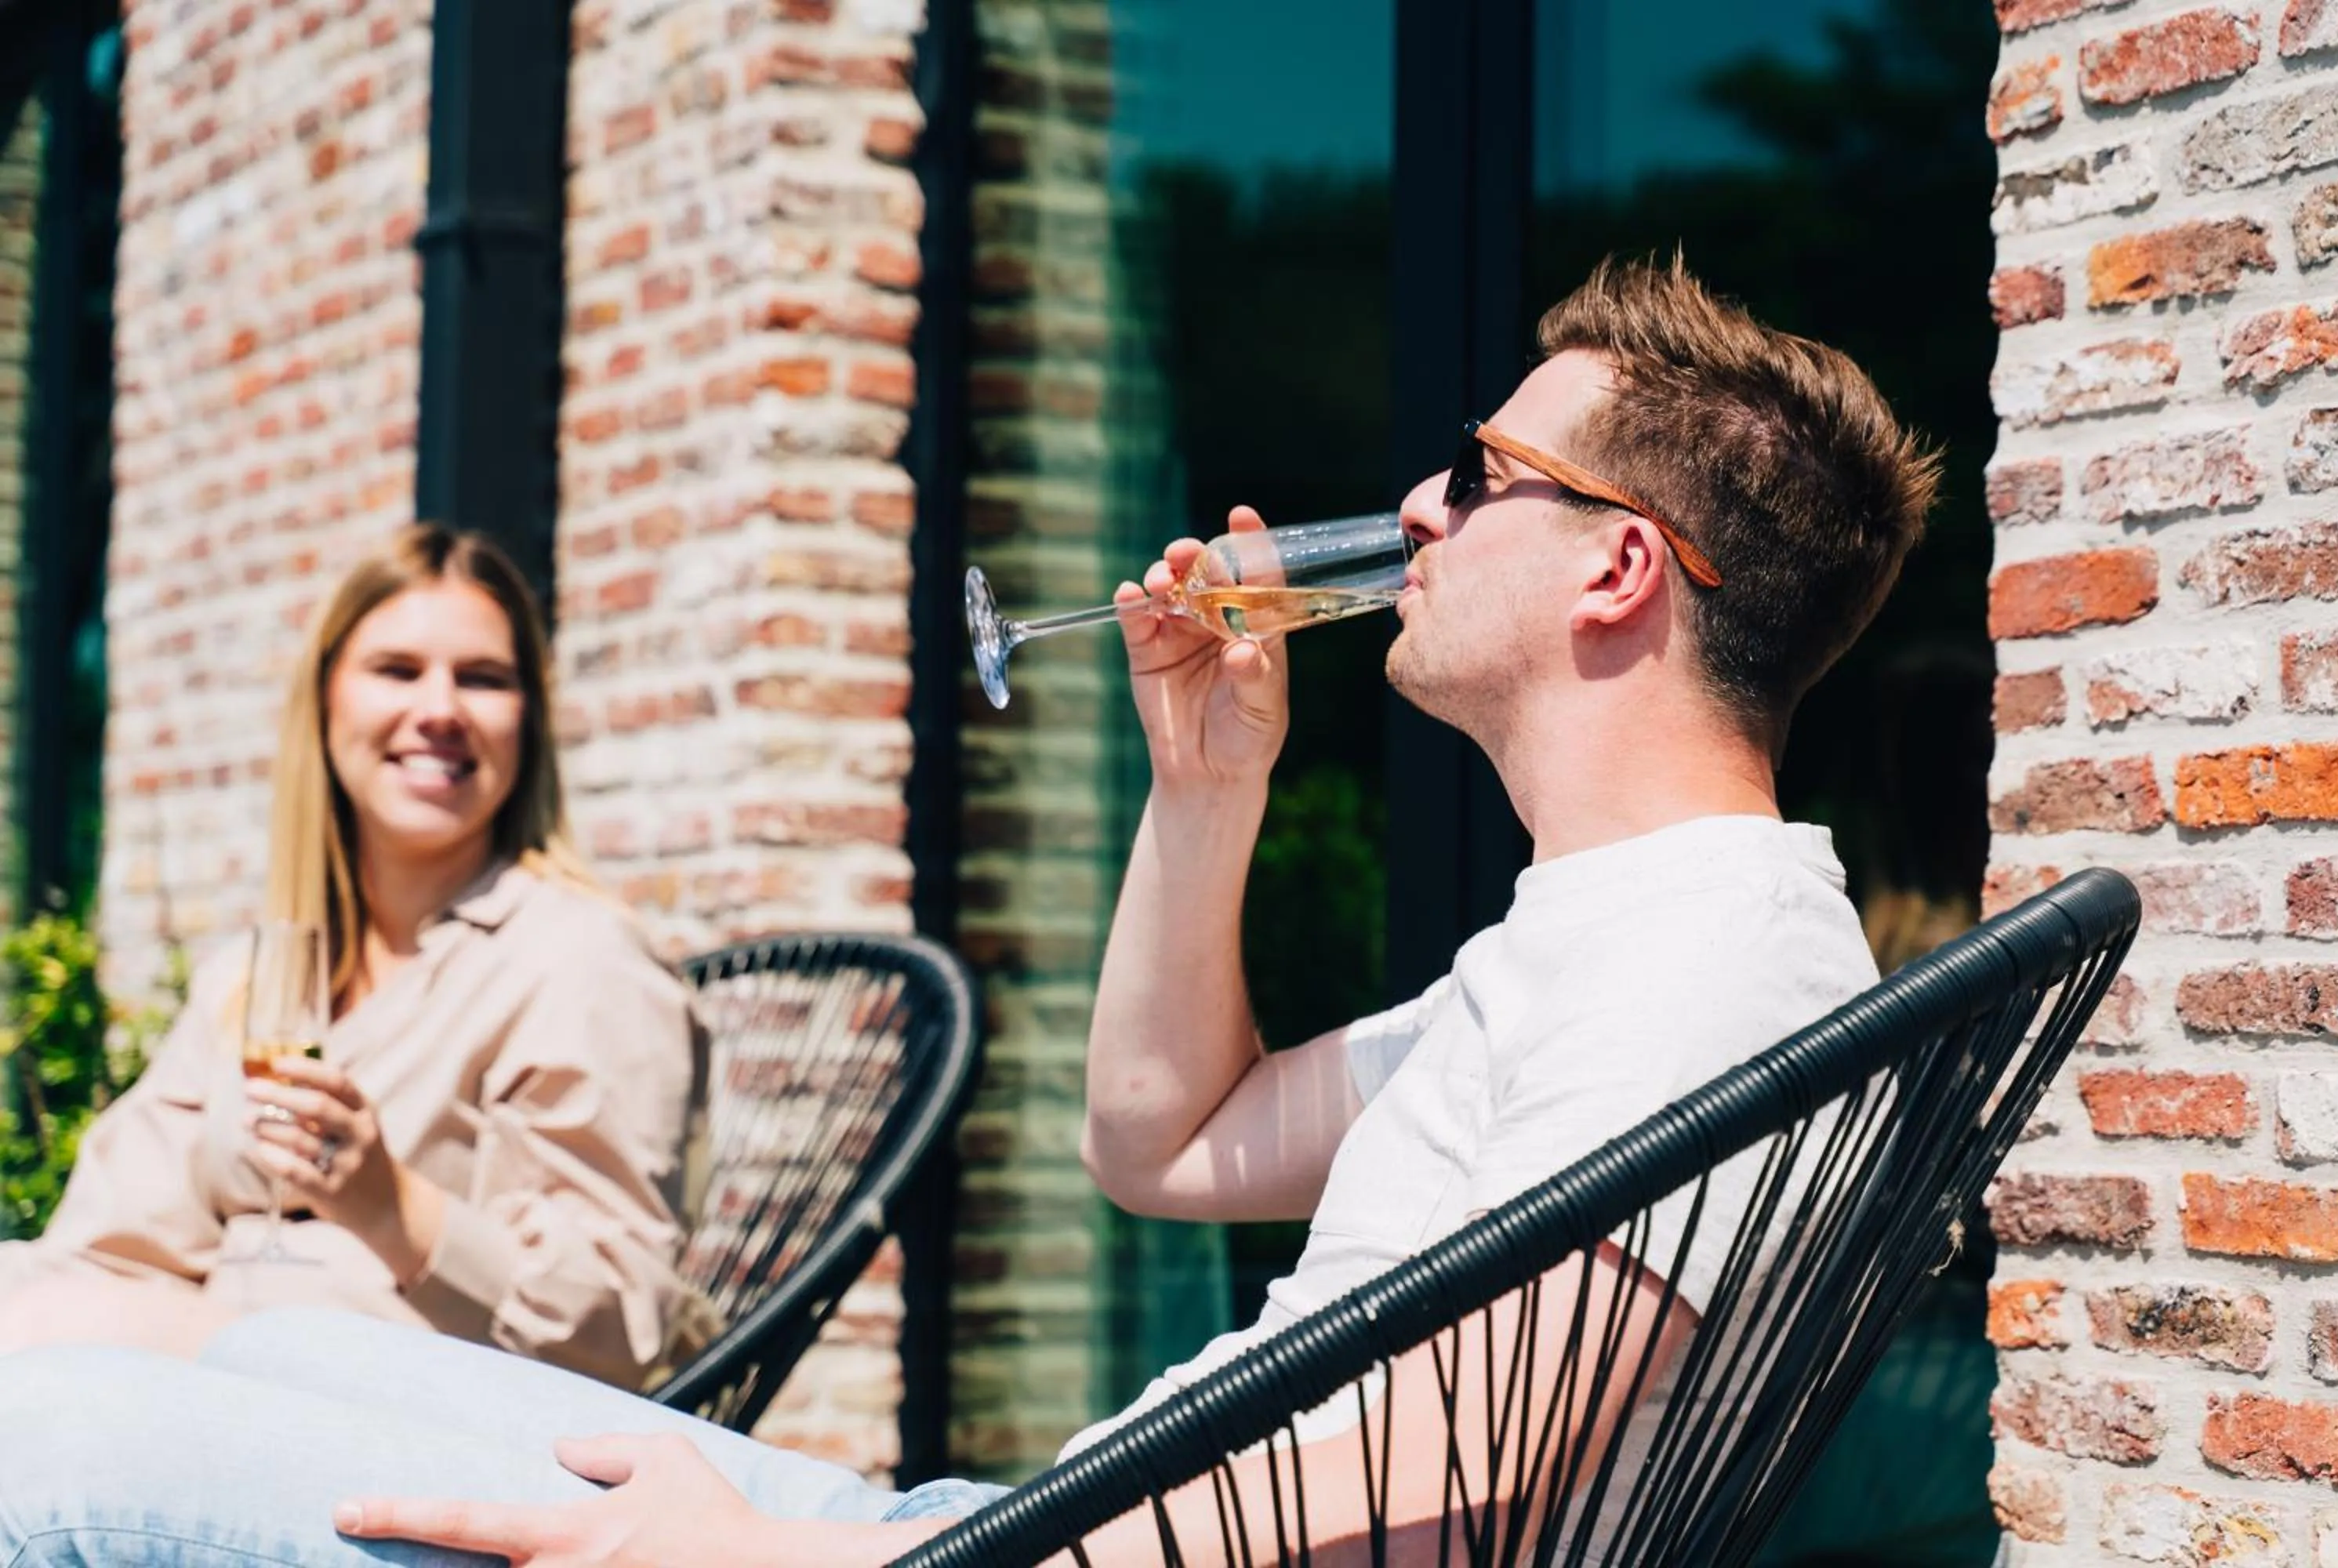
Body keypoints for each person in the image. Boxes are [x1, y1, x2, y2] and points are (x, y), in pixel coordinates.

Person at [0, 257, 1937, 1566]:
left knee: (50, 1463)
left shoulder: (1714, 970)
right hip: (1000, 1522)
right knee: (228, 1347)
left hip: (985, 1550)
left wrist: (800, 1559)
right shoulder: (1601, 939)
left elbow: (1433, 1481)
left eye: (1480, 472)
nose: (1419, 508)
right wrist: (1204, 789)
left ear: (1616, 566)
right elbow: (1161, 1141)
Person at [0, 524, 702, 1389]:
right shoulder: (259, 982)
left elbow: (614, 1326)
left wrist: (393, 1207)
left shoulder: (579, 961)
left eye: (483, 678)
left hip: (438, 1443)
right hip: (207, 1412)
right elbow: (110, 1237)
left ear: (529, 723)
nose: (440, 708)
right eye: (398, 670)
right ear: (326, 701)